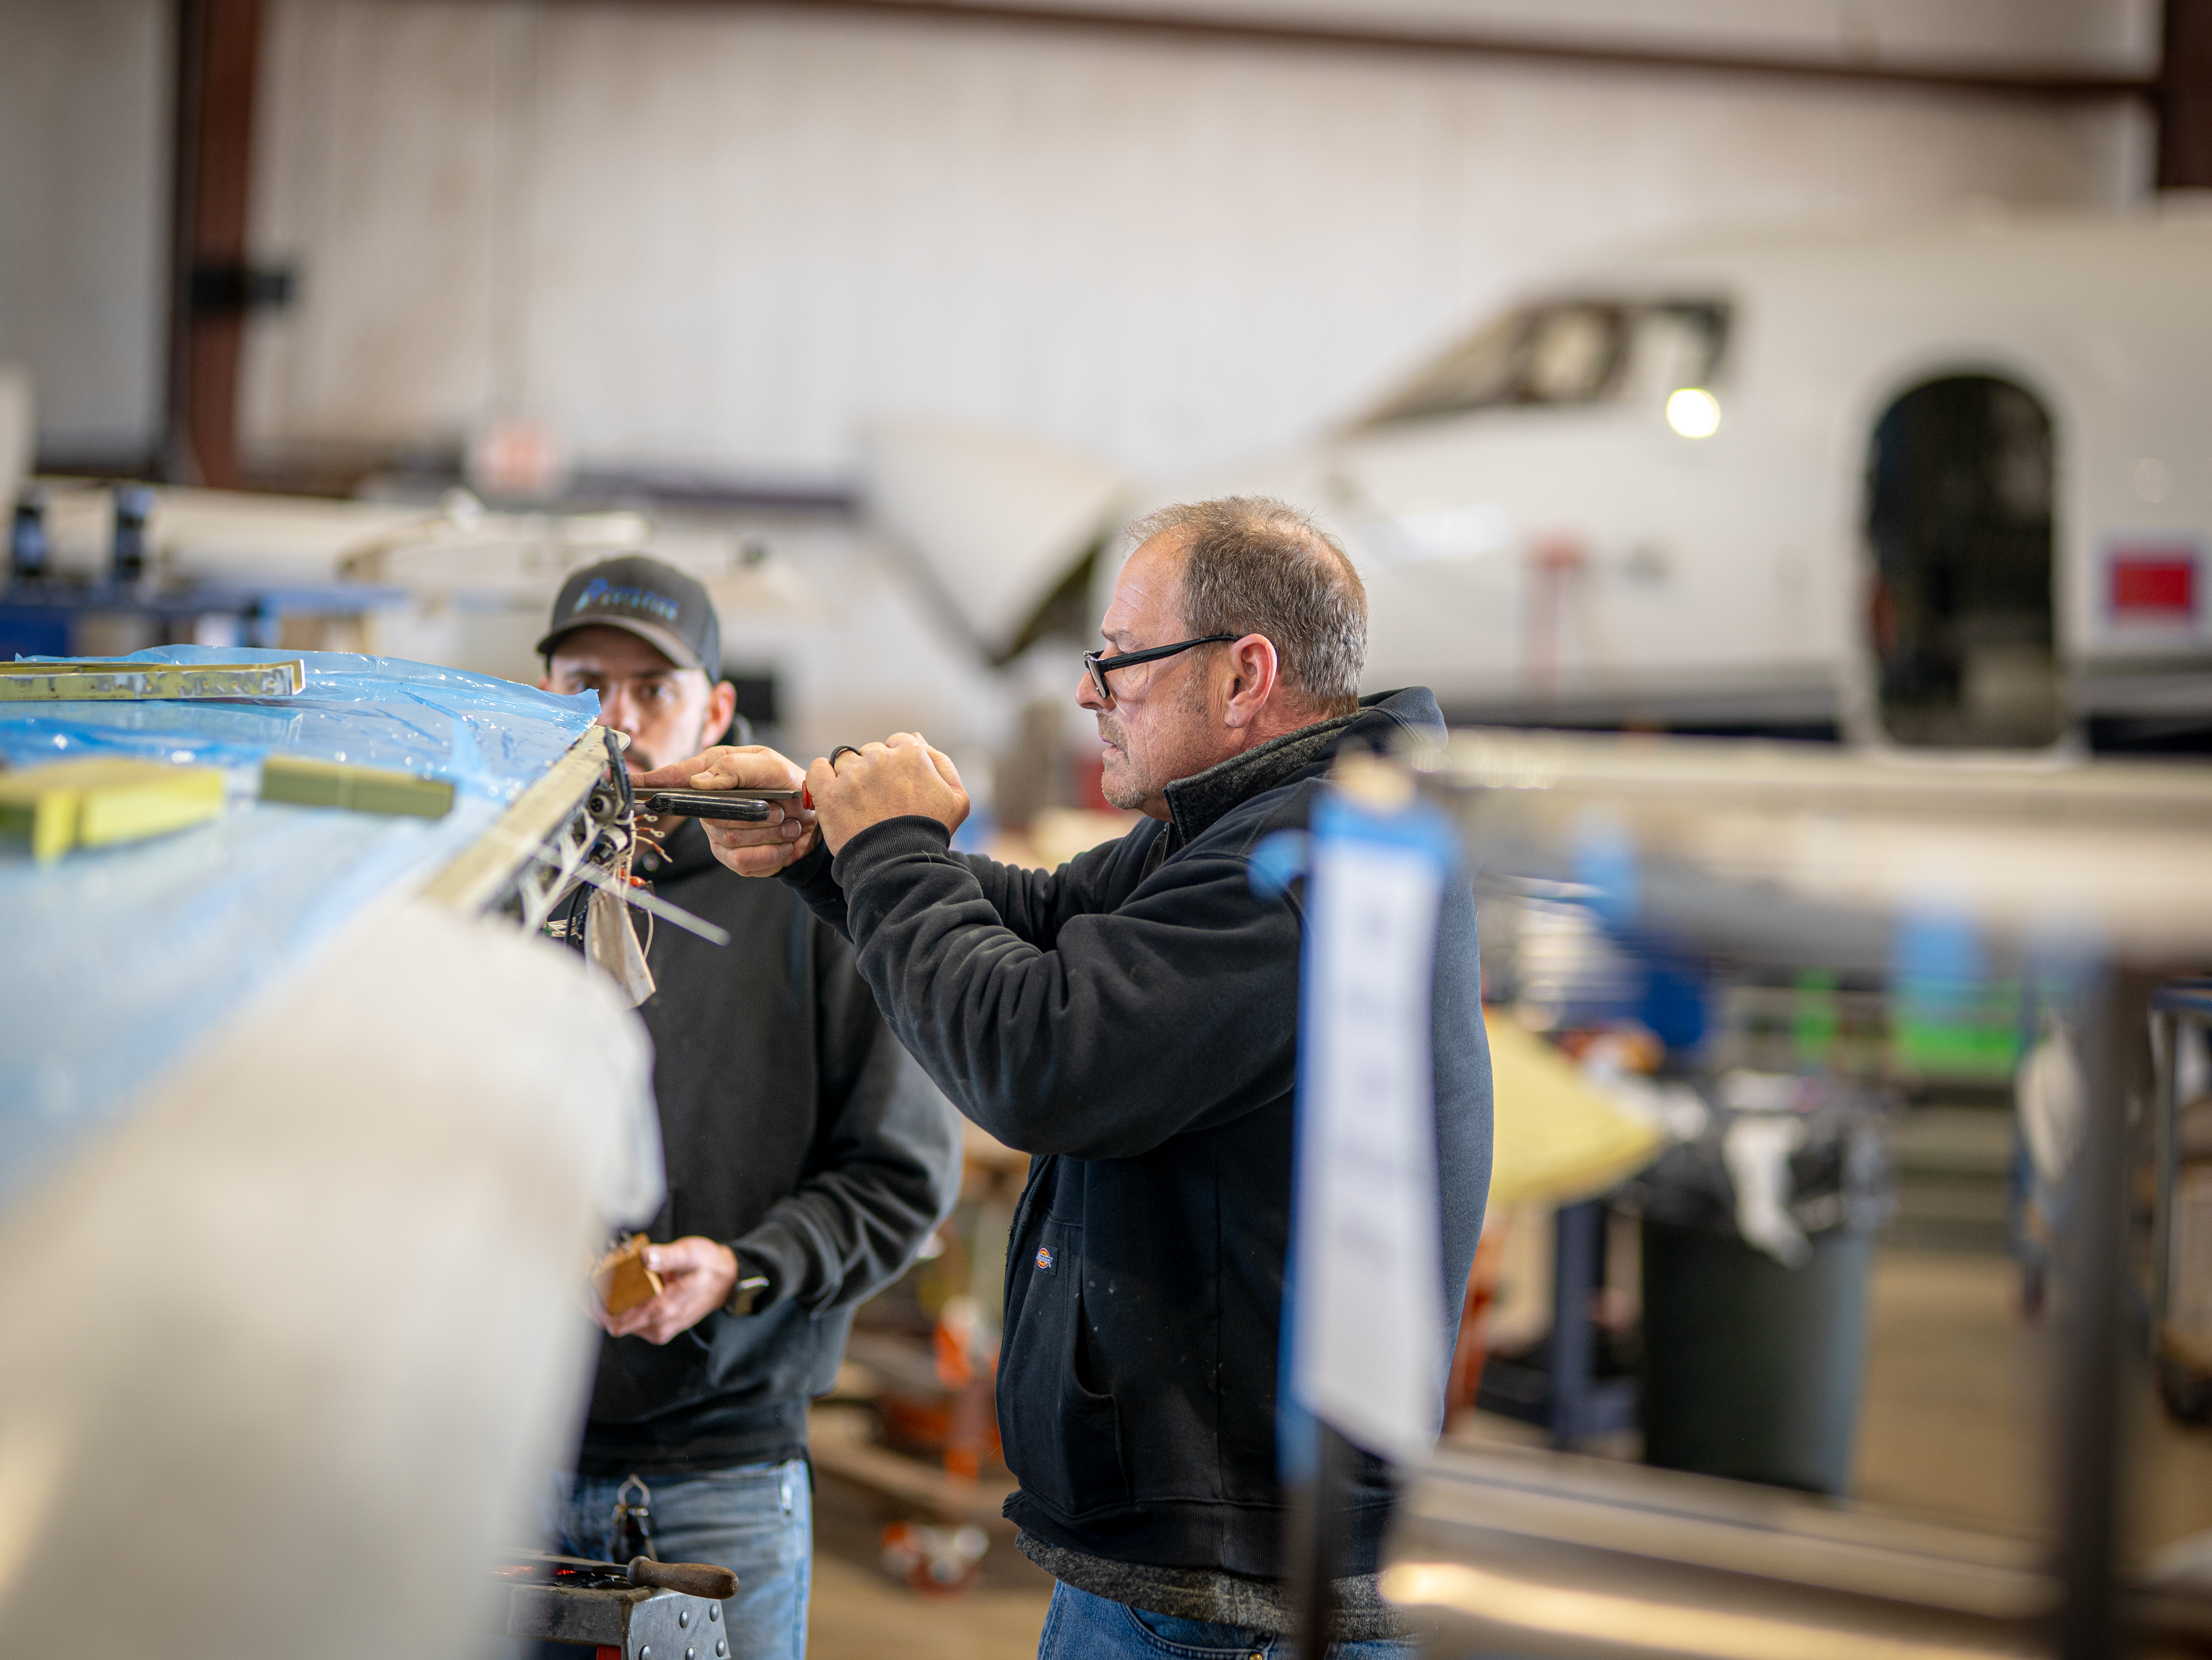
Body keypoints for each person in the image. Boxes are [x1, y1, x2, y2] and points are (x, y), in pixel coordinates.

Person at [642, 500, 1493, 1658]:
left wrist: (892, 850)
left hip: (1225, 1598)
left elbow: (1038, 1056)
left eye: (1117, 662)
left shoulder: (1304, 866)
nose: (1092, 692)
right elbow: (1042, 920)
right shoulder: (1247, 823)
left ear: (1244, 673)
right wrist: (827, 834)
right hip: (1188, 1568)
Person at [534, 554, 962, 1659]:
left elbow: (902, 1178)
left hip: (721, 1472)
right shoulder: (497, 893)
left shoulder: (813, 905)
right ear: (541, 691)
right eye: (584, 682)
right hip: (504, 1456)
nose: (614, 719)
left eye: (652, 690)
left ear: (717, 711)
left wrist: (740, 1267)